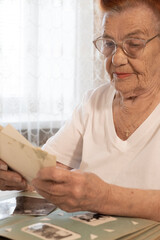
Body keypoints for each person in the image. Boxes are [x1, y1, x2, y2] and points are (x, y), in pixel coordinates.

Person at [1, 0, 160, 221]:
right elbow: (48, 172)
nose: (116, 58)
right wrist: (17, 172)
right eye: (109, 43)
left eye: (133, 44)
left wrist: (104, 197)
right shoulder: (93, 102)